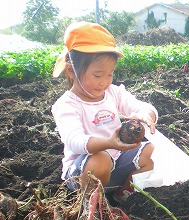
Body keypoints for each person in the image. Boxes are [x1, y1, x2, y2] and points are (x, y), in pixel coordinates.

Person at [51, 21, 158, 202]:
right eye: (98, 75)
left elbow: (141, 106)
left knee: (148, 151)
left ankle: (121, 197)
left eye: (110, 74)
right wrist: (109, 143)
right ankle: (91, 206)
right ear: (71, 70)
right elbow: (75, 142)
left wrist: (146, 114)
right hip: (83, 173)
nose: (104, 82)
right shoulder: (66, 105)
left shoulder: (112, 93)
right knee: (100, 159)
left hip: (115, 164)